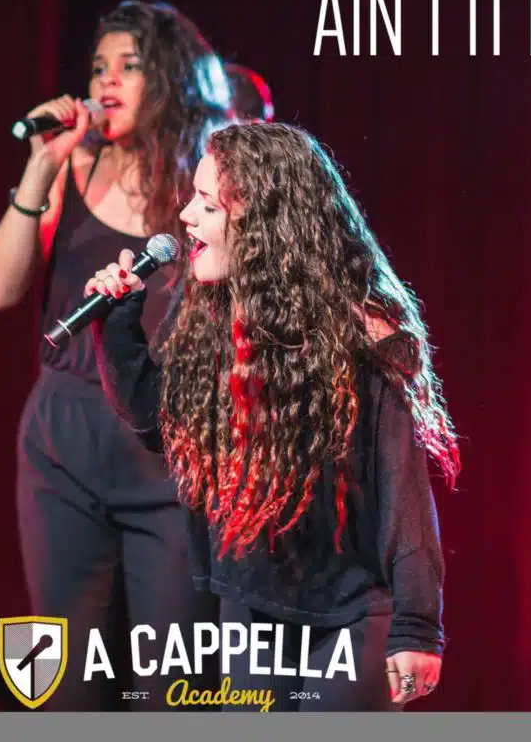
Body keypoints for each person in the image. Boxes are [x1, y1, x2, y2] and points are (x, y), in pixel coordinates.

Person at [84, 121, 460, 711]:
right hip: (252, 604)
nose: (185, 216)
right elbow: (158, 423)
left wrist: (417, 626)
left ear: (264, 223)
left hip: (352, 611)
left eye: (208, 205)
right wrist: (119, 323)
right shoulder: (214, 314)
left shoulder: (362, 333)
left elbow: (403, 491)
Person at [0, 0, 234, 710]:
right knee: (66, 683)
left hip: (166, 447)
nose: (107, 81)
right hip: (64, 442)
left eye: (129, 65)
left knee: (173, 685)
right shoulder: (77, 167)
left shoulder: (205, 183)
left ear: (170, 78)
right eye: (98, 68)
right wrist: (42, 166)